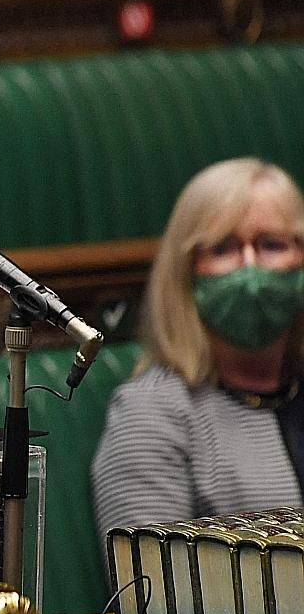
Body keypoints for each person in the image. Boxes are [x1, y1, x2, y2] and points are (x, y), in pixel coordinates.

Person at [91, 158, 304, 547]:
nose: (250, 271)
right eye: (223, 249)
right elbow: (149, 591)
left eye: (272, 245)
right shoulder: (152, 414)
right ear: (185, 271)